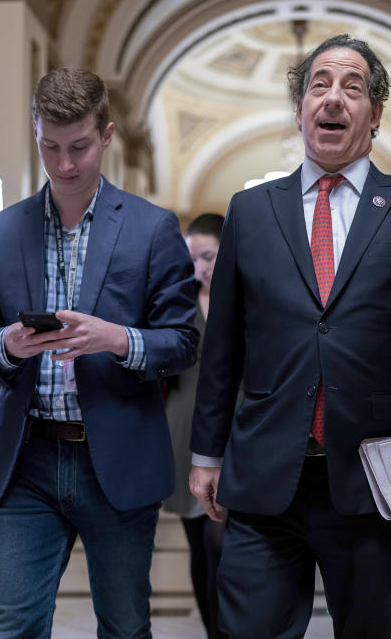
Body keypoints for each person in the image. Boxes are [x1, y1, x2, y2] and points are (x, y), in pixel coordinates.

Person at [189, 34, 391, 639]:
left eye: (353, 87)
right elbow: (222, 350)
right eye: (319, 85)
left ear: (374, 114)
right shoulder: (249, 210)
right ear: (299, 111)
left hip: (369, 481)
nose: (334, 98)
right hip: (264, 476)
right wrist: (206, 454)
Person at [0, 66, 198, 637]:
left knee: (123, 625)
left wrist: (116, 338)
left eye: (80, 147)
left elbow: (184, 342)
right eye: (50, 147)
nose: (65, 164)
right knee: (8, 627)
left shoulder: (152, 229)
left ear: (108, 135)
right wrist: (10, 346)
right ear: (36, 136)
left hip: (115, 457)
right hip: (26, 461)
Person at [162, 213, 228, 639]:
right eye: (192, 259)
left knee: (220, 539)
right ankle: (213, 632)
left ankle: (231, 629)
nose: (199, 268)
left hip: (230, 424)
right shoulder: (177, 301)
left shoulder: (245, 296)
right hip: (181, 425)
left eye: (208, 256)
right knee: (197, 542)